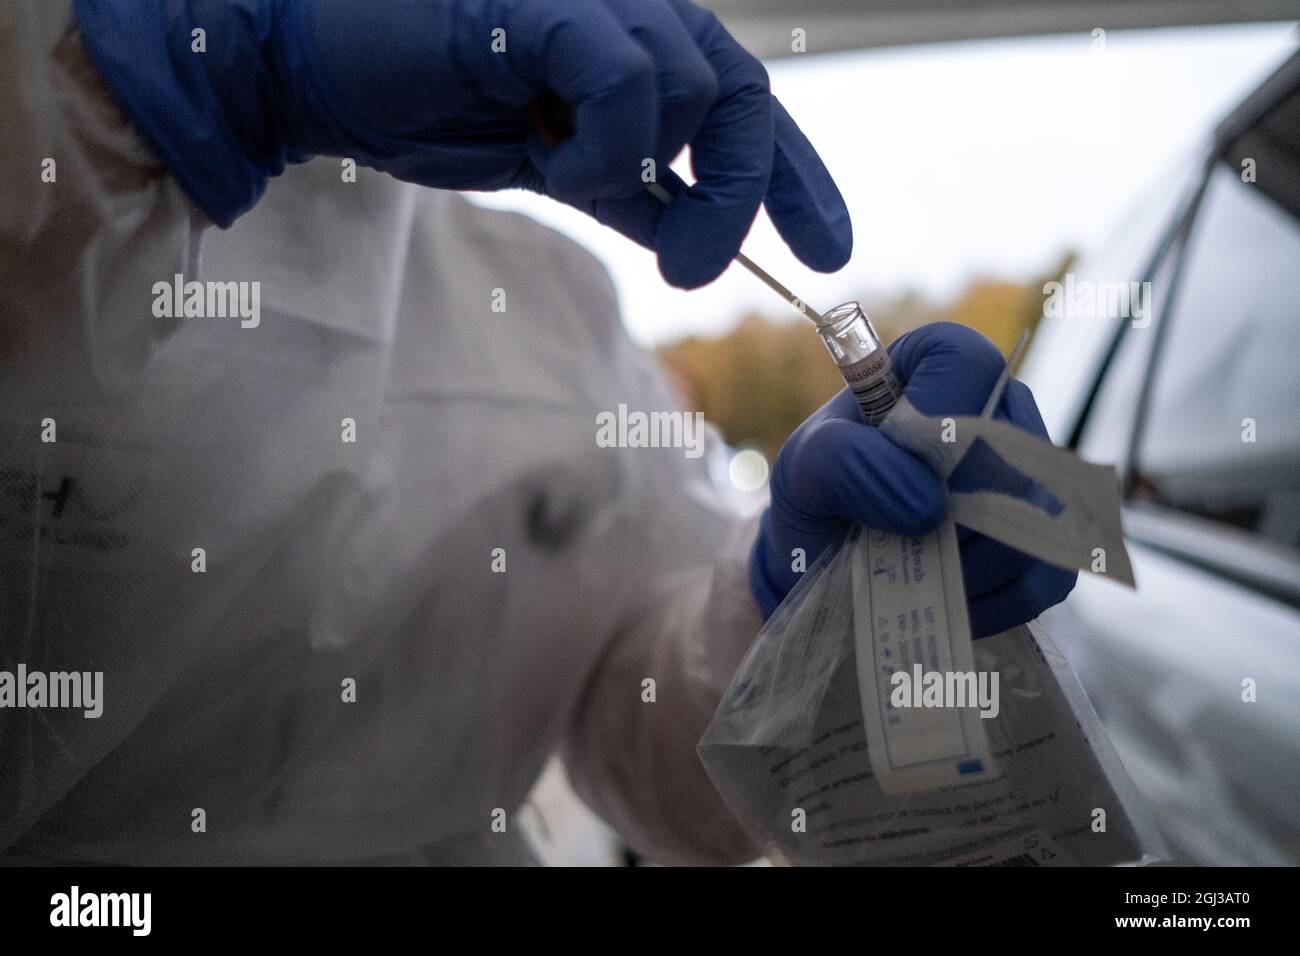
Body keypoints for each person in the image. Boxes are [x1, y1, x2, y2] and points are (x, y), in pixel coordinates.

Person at [0, 0, 1074, 864]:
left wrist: (785, 599)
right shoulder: (48, 96)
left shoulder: (554, 303)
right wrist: (161, 81)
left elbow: (666, 786)